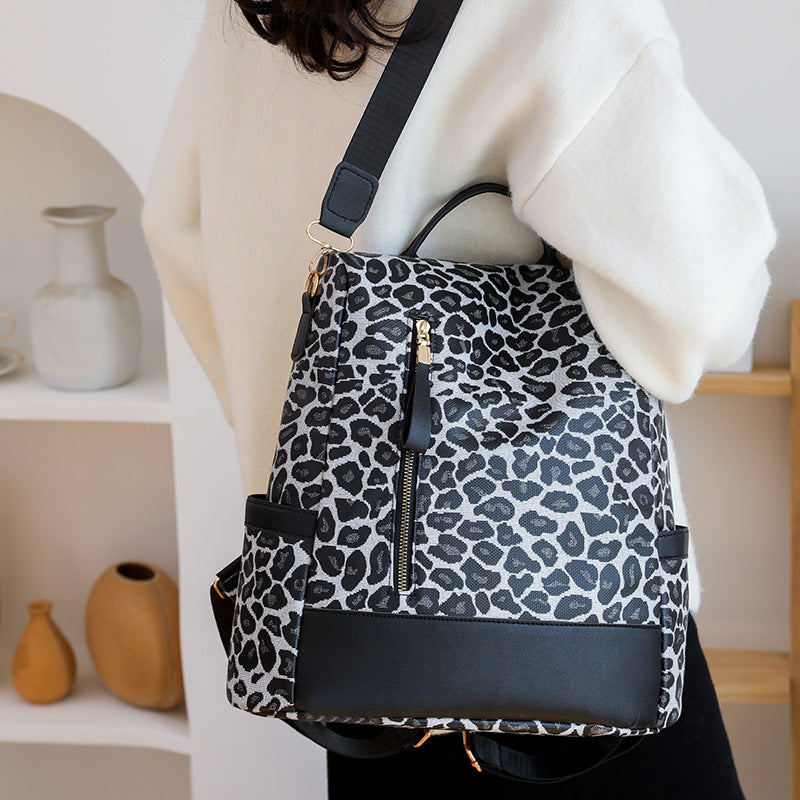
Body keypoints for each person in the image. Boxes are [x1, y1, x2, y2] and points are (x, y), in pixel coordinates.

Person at [142, 1, 776, 796]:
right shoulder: (560, 13)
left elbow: (175, 227)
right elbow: (712, 306)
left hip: (359, 658)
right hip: (580, 635)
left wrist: (315, 442)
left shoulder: (250, 14)